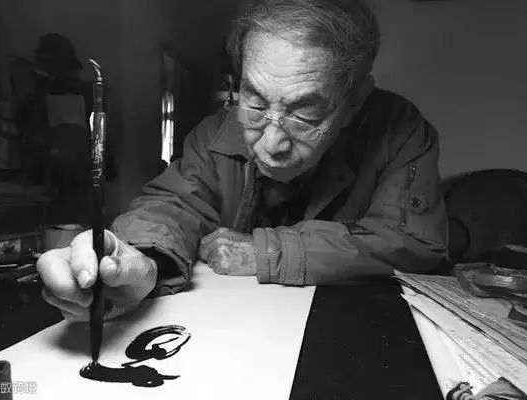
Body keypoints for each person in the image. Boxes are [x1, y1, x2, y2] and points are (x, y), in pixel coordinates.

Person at [37, 0, 448, 321]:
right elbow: (172, 204)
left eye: (305, 115)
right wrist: (142, 260)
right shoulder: (213, 131)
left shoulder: (401, 130)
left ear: (354, 102)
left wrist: (264, 251)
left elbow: (414, 243)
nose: (270, 143)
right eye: (254, 101)